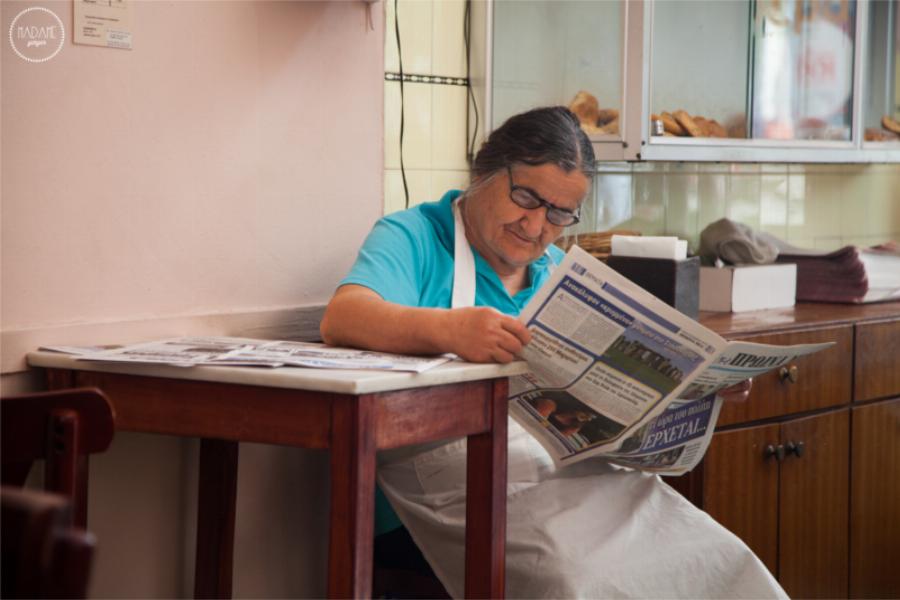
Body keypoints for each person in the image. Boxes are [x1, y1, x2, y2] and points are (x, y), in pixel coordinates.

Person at [321, 106, 785, 599]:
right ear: (482, 173)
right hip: (451, 499)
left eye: (560, 213)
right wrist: (449, 329)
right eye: (526, 197)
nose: (536, 224)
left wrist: (699, 389)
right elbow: (343, 317)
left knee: (718, 558)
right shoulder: (416, 236)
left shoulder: (562, 274)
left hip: (580, 486)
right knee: (581, 583)